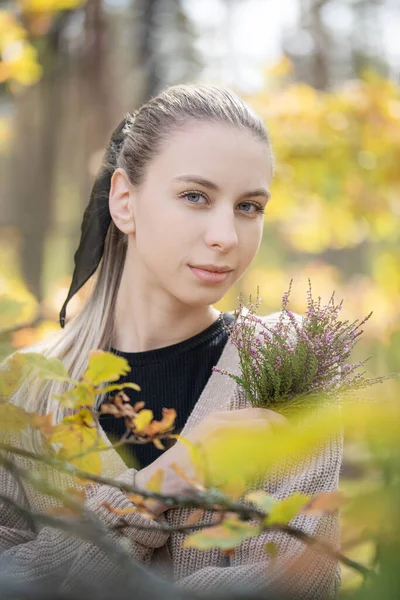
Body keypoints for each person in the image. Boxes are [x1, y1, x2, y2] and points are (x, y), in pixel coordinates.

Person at [0, 83, 342, 599]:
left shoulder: (286, 362)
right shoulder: (24, 389)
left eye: (249, 207)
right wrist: (167, 480)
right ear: (124, 201)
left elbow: (298, 583)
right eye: (195, 197)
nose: (226, 235)